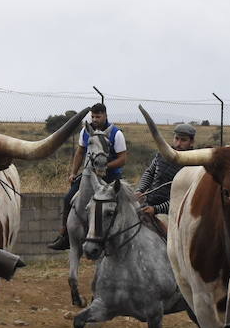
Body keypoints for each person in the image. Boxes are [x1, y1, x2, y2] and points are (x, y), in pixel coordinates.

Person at [48, 102, 127, 250]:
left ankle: (121, 234)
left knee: (122, 202)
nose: (95, 119)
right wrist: (73, 172)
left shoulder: (116, 133)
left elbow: (123, 159)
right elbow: (80, 152)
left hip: (110, 177)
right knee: (67, 199)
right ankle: (64, 235)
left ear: (105, 115)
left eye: (98, 116)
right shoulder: (85, 131)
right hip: (89, 176)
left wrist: (104, 167)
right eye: (93, 116)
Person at [136, 123, 196, 216]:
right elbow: (149, 173)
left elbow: (182, 197)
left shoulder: (193, 165)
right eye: (176, 138)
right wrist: (140, 190)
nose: (178, 143)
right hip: (148, 203)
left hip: (172, 214)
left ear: (191, 142)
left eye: (183, 140)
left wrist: (156, 209)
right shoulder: (162, 154)